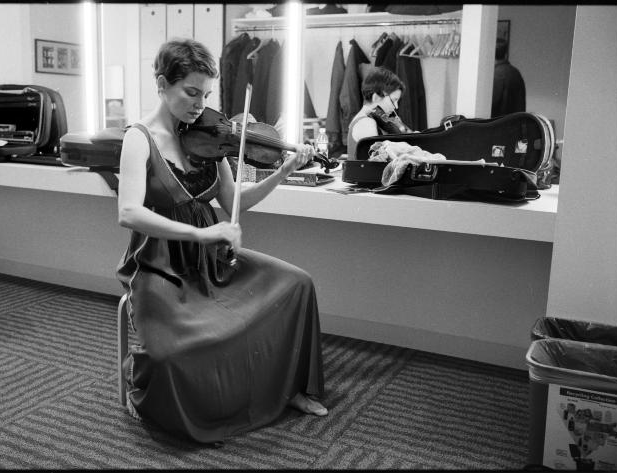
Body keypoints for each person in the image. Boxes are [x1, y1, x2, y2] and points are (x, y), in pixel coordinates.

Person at [115, 38, 327, 445]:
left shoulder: (209, 138)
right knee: (167, 356)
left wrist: (281, 173)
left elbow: (234, 203)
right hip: (161, 265)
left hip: (212, 260)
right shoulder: (138, 138)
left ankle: (290, 389)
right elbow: (128, 213)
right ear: (162, 83)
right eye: (191, 92)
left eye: (206, 94)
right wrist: (201, 232)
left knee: (297, 283)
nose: (199, 104)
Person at [347, 66, 412, 159]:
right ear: (376, 97)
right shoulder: (366, 123)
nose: (396, 106)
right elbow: (379, 163)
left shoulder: (372, 118)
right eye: (393, 100)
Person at [491, 38, 526, 117]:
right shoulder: (515, 72)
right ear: (506, 53)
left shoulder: (496, 74)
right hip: (514, 125)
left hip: (499, 125)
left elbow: (491, 105)